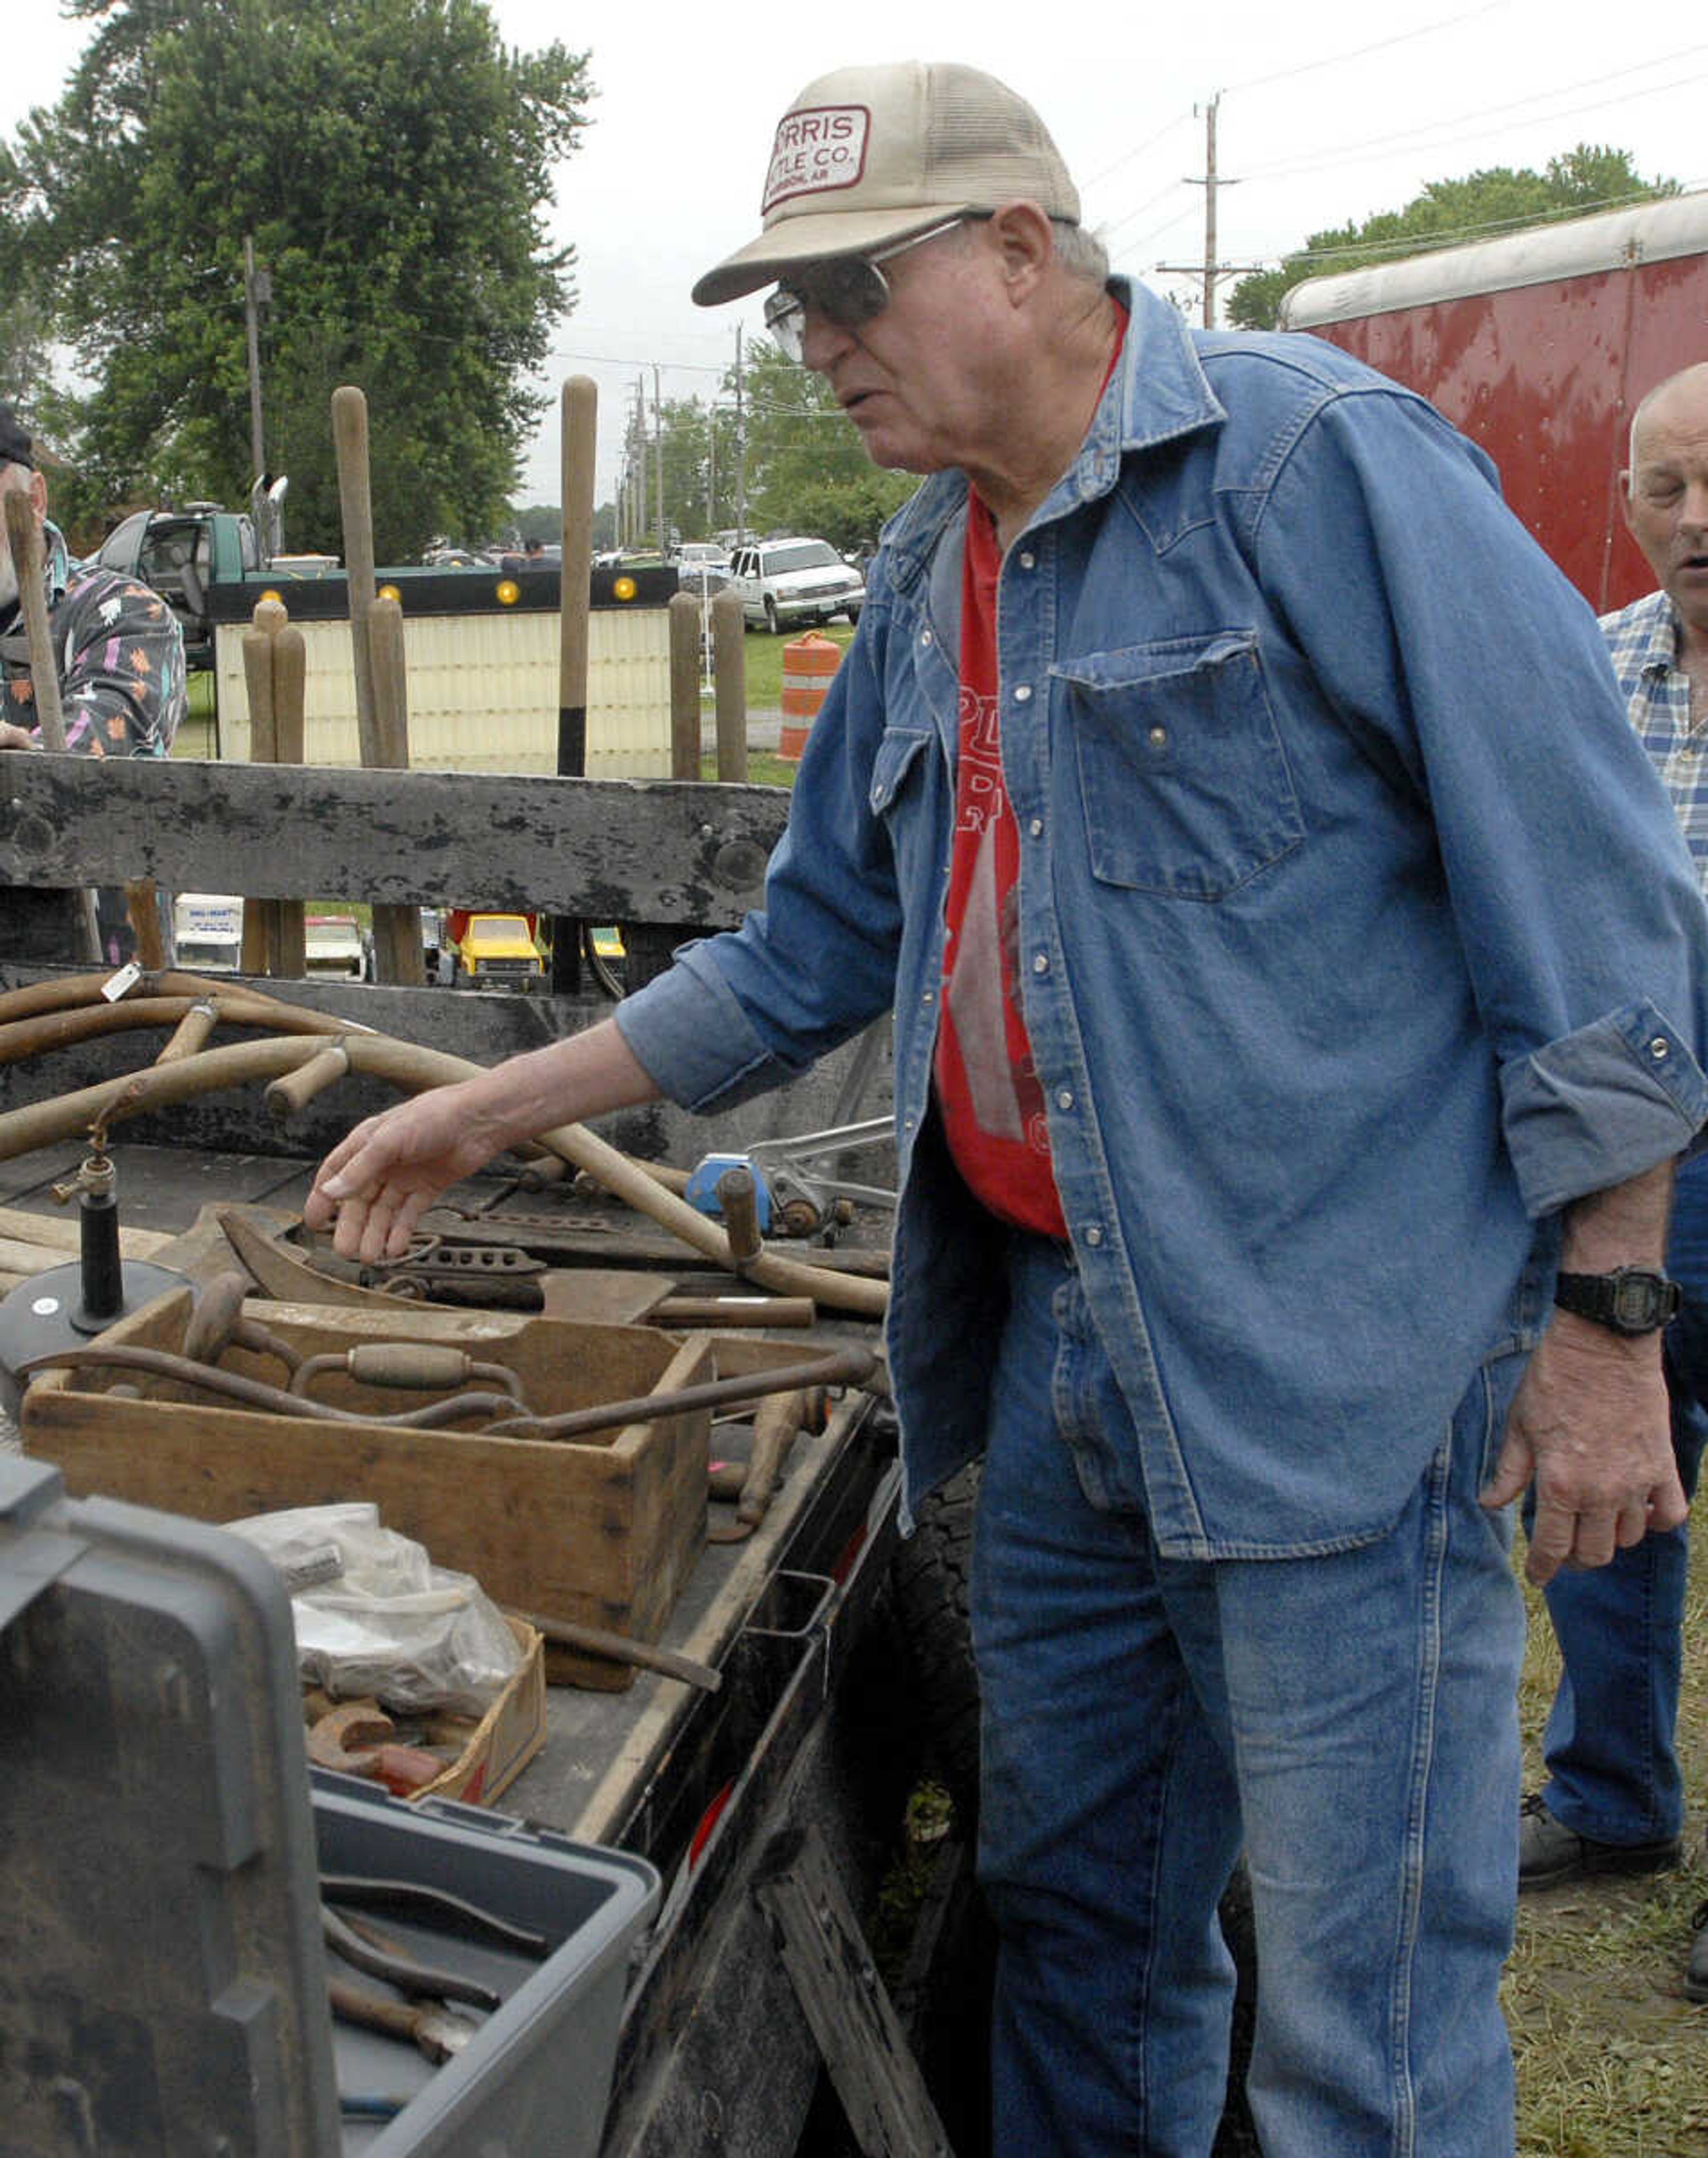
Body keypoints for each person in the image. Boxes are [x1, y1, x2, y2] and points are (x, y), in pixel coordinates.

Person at [306, 64, 1708, 2154]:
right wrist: (486, 1106)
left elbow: (1600, 930)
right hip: (1055, 1359)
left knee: (1366, 2021)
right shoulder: (915, 573)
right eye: (787, 309)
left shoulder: (1321, 473)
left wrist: (1604, 1335)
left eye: (852, 286)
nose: (818, 343)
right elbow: (797, 956)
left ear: (1027, 252)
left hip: (1337, 1365)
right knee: (1078, 1919)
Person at [1519, 361, 1708, 1998]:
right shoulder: (1587, 677)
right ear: (1628, 508)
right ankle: (1615, 1801)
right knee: (1612, 1474)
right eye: (1668, 489)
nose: (1699, 520)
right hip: (1627, 1164)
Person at [0, 401, 188, 961]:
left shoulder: (125, 614)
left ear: (33, 500)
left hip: (98, 1008)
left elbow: (96, 747)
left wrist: (24, 754)